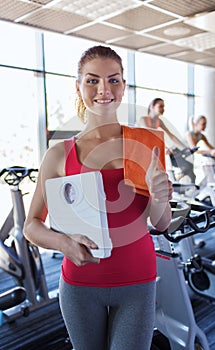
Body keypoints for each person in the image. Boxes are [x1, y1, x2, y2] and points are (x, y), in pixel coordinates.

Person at [23, 45, 173, 350]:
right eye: (92, 80)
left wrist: (160, 197)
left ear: (124, 86)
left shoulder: (143, 144)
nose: (104, 89)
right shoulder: (59, 154)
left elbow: (161, 222)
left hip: (136, 279)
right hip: (80, 285)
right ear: (78, 87)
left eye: (113, 80)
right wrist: (64, 243)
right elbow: (31, 225)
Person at [139, 98, 195, 183]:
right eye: (160, 106)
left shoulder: (159, 121)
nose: (163, 109)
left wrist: (186, 147)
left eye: (163, 106)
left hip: (152, 151)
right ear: (152, 107)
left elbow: (171, 136)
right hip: (142, 151)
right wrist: (165, 148)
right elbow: (150, 136)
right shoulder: (143, 120)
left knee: (186, 166)